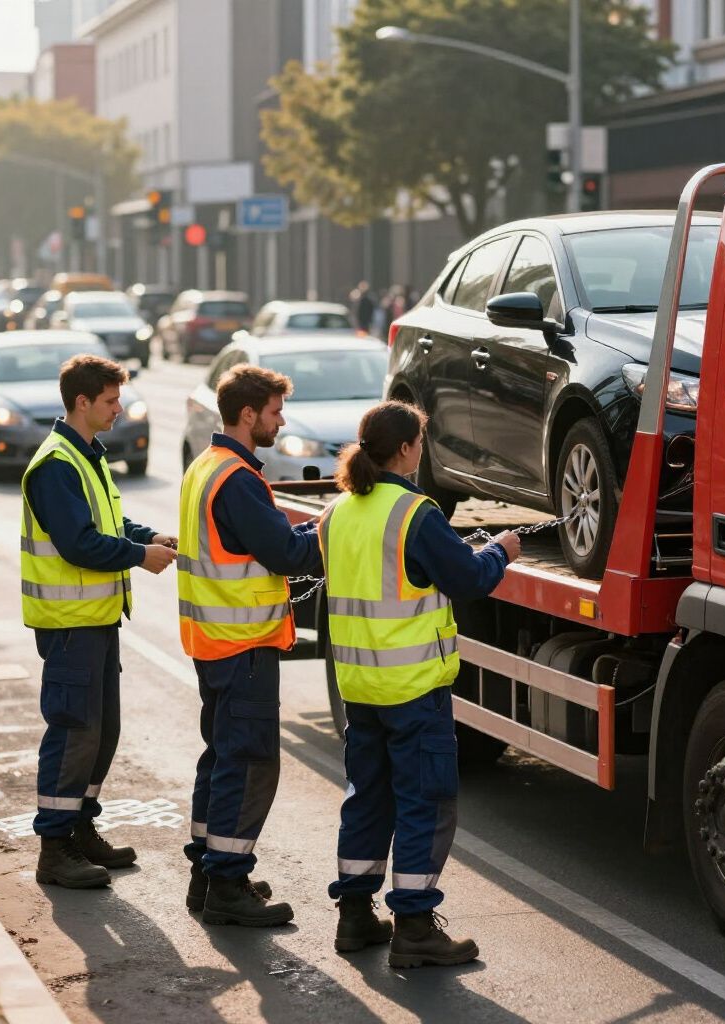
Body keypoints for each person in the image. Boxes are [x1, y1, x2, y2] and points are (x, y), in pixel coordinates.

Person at [319, 401, 520, 967]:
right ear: (406, 449)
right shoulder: (414, 512)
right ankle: (413, 926)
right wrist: (499, 552)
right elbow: (467, 578)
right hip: (412, 687)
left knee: (367, 798)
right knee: (424, 803)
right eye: (420, 443)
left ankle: (355, 916)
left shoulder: (336, 512)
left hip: (359, 686)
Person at [21, 354, 178, 889]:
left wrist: (146, 536)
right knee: (73, 732)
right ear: (82, 402)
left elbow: (107, 520)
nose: (119, 409)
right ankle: (54, 847)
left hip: (94, 619)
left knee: (101, 731)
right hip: (69, 624)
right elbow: (79, 542)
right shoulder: (57, 463)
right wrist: (138, 556)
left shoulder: (86, 455)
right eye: (110, 401)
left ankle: (81, 828)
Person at [178, 364, 322, 927]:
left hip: (213, 641)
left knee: (220, 758)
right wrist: (330, 530)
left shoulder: (204, 468)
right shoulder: (237, 478)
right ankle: (228, 885)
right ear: (247, 414)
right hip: (244, 644)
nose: (280, 421)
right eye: (275, 411)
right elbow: (286, 553)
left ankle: (207, 873)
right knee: (250, 763)